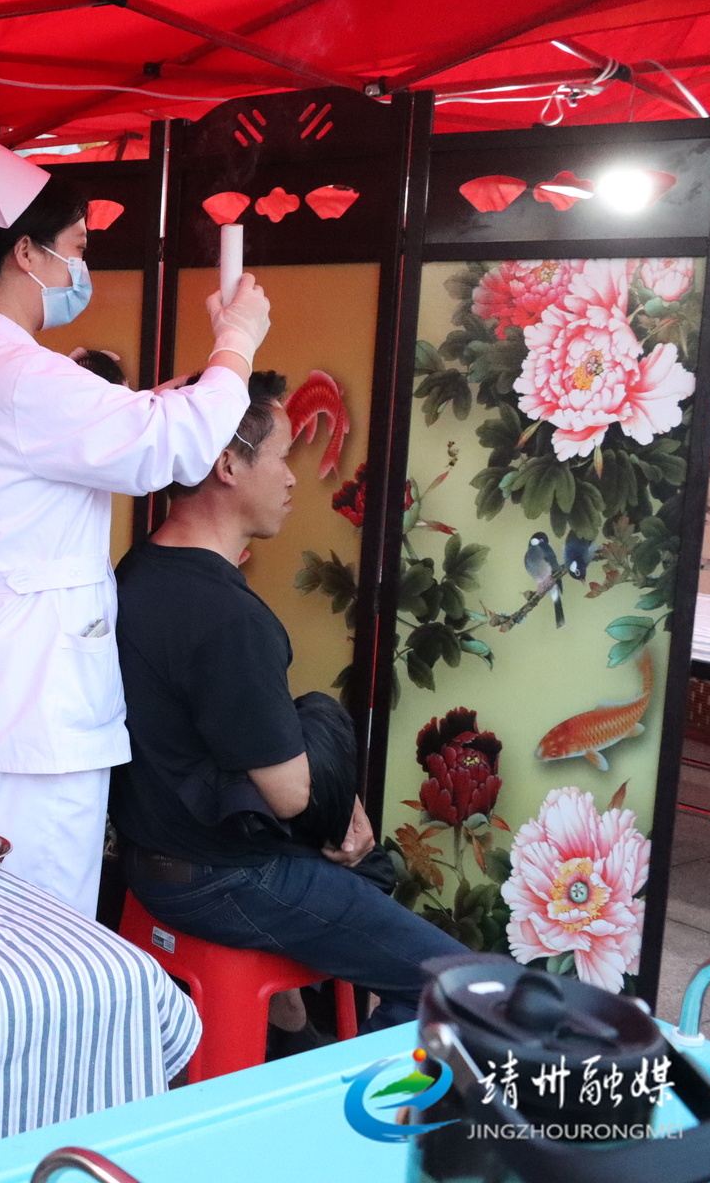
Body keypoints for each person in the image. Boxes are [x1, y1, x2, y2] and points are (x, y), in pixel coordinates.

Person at [0, 142, 274, 918]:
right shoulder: (20, 375)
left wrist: (177, 393)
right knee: (34, 945)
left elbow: (119, 428)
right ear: (25, 253)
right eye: (75, 248)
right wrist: (236, 343)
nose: (82, 268)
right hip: (30, 719)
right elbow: (170, 447)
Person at [111, 371, 470, 1035]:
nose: (291, 479)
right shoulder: (227, 617)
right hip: (222, 878)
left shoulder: (137, 571)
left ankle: (288, 1022)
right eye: (280, 456)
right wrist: (334, 795)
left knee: (367, 869)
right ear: (227, 464)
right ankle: (352, 1089)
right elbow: (289, 796)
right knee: (460, 988)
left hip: (152, 860)